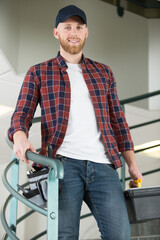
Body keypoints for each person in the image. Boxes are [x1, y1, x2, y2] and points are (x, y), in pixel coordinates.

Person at [9, 5, 142, 240]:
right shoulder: (38, 72)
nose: (74, 32)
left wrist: (131, 164)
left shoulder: (104, 73)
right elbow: (21, 114)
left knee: (120, 235)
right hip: (62, 167)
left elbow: (118, 121)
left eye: (79, 27)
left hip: (104, 166)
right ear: (56, 32)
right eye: (67, 27)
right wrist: (19, 136)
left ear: (86, 32)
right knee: (64, 236)